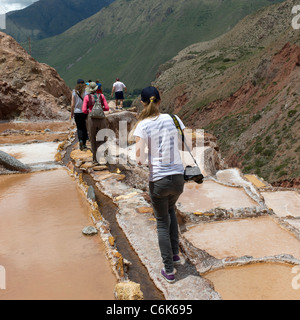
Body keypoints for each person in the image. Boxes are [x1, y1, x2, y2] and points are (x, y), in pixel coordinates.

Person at [134, 86, 185, 284]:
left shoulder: (143, 125)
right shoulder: (174, 119)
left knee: (162, 222)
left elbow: (139, 158)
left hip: (159, 180)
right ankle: (174, 254)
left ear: (142, 103)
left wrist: (148, 155)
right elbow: (181, 144)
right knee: (171, 210)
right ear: (160, 101)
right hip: (178, 177)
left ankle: (169, 270)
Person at [82, 82, 110, 163]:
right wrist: (101, 110)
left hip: (91, 119)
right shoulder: (101, 96)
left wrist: (90, 111)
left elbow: (84, 110)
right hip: (101, 119)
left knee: (92, 138)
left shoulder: (87, 97)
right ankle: (105, 156)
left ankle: (95, 159)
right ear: (96, 89)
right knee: (103, 137)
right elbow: (107, 108)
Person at [71, 79, 88, 151]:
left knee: (79, 127)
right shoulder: (86, 92)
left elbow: (72, 104)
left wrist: (72, 113)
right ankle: (84, 144)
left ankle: (80, 140)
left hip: (77, 112)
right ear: (84, 84)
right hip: (85, 112)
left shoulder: (74, 92)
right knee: (85, 127)